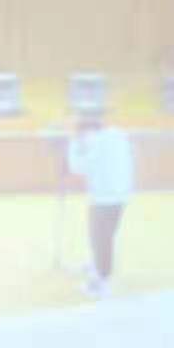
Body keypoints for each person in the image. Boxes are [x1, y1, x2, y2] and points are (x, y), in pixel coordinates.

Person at [67, 111, 134, 298]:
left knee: (100, 238)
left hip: (103, 198)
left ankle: (101, 282)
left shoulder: (92, 142)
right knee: (106, 236)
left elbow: (77, 167)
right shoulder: (118, 135)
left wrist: (74, 144)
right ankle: (95, 264)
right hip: (121, 195)